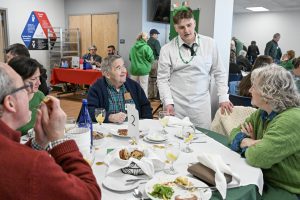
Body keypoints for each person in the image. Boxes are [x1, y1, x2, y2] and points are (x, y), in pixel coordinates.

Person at [0, 63, 101, 199]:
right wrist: (59, 139)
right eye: (24, 88)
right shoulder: (33, 165)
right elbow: (90, 194)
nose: (30, 92)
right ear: (10, 103)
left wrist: (39, 143)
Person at [229, 64, 300, 199]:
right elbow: (233, 133)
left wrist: (254, 147)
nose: (249, 90)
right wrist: (249, 142)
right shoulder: (262, 113)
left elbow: (258, 158)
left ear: (269, 93)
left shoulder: (291, 119)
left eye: (254, 87)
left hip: (286, 189)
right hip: (261, 177)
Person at [157, 6, 233, 129]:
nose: (186, 30)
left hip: (201, 107)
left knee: (202, 140)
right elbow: (162, 79)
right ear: (176, 28)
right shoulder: (167, 49)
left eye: (189, 25)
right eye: (181, 27)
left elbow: (219, 72)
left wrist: (223, 97)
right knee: (175, 141)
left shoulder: (210, 44)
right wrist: (168, 102)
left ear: (194, 23)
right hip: (176, 106)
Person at [87, 55, 152, 123]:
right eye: (118, 68)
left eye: (123, 66)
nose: (124, 71)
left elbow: (146, 106)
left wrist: (146, 124)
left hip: (134, 129)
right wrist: (110, 117)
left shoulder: (133, 85)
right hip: (108, 131)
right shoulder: (97, 88)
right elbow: (90, 111)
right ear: (107, 74)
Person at [8, 57, 45, 136]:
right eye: (33, 79)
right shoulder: (6, 101)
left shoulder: (39, 96)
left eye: (39, 77)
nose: (39, 83)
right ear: (17, 79)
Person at [129, 32, 154, 97]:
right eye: (147, 38)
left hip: (134, 70)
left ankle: (133, 103)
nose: (148, 39)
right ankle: (144, 104)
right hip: (144, 70)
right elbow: (151, 59)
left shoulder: (133, 47)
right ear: (144, 39)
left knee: (132, 88)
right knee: (143, 88)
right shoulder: (146, 47)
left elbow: (130, 58)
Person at [147, 29, 161, 99]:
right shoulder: (156, 41)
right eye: (157, 34)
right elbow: (159, 52)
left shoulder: (146, 41)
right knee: (155, 79)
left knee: (149, 80)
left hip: (147, 63)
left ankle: (150, 95)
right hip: (154, 62)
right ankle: (155, 95)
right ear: (154, 34)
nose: (157, 36)